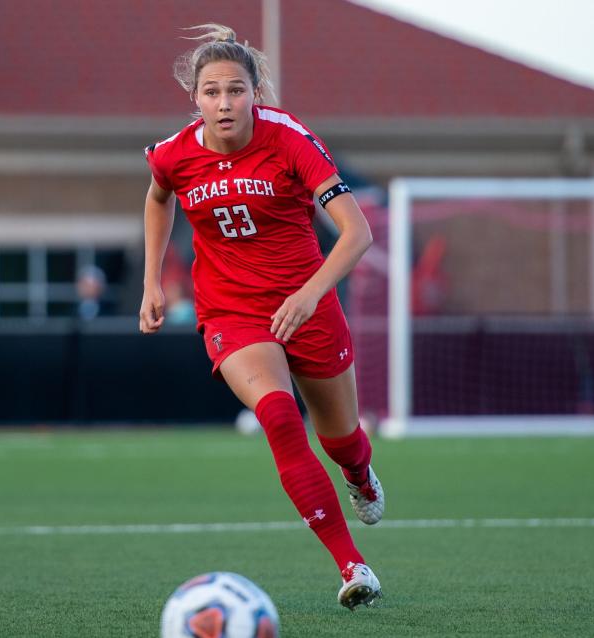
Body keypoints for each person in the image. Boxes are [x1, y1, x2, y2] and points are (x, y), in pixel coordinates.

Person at [140, 24, 385, 609]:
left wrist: (308, 295)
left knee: (343, 440)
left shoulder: (290, 140)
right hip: (232, 310)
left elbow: (358, 234)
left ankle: (359, 476)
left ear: (255, 94)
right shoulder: (176, 153)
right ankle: (353, 566)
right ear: (194, 98)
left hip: (308, 304)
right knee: (278, 414)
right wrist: (151, 279)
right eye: (211, 92)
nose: (223, 103)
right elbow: (157, 195)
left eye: (235, 90)